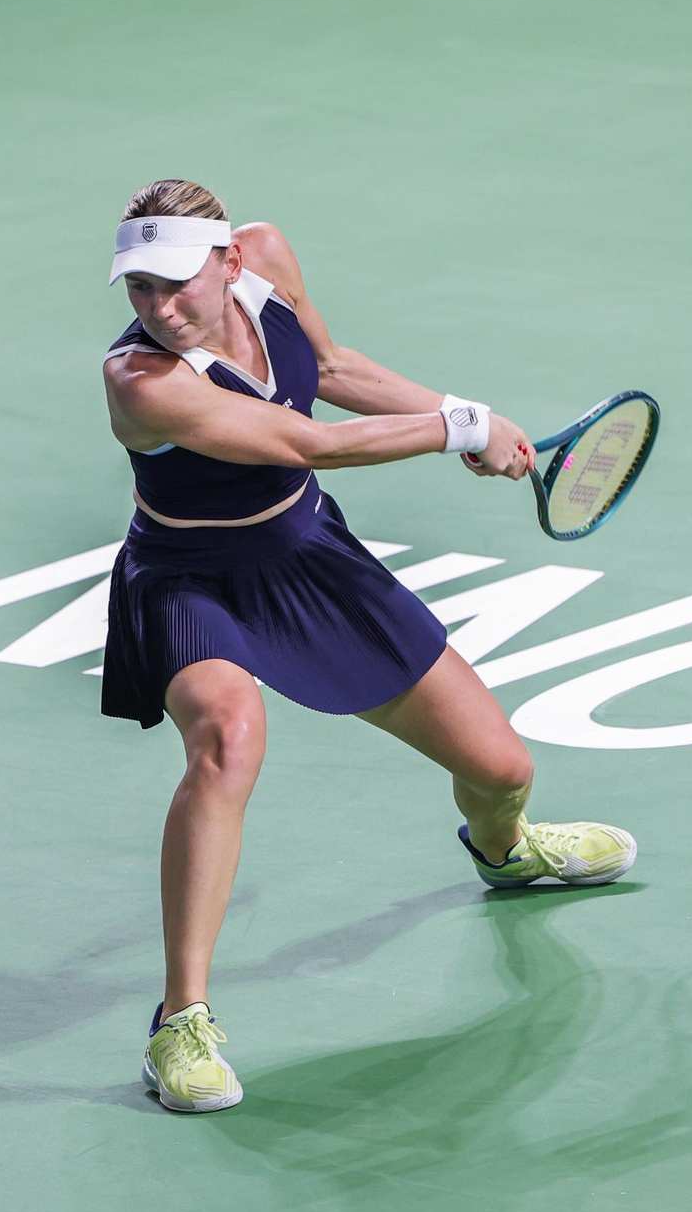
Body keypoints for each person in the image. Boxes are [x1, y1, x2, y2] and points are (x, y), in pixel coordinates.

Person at [97, 180, 636, 1113]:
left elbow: (333, 366)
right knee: (227, 739)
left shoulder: (267, 255)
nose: (160, 307)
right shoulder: (140, 381)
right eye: (139, 287)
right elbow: (312, 440)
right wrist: (454, 429)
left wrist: (461, 408)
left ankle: (506, 852)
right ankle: (180, 1021)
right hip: (187, 578)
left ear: (229, 260)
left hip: (307, 556)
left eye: (177, 282)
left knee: (501, 768)